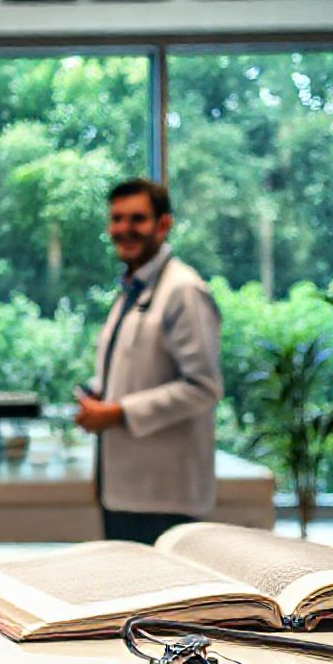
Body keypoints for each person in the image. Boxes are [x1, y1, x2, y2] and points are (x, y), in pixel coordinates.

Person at [74, 178, 223, 544]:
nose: (124, 229)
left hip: (164, 497)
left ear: (163, 224)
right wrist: (98, 393)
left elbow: (204, 387)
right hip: (125, 490)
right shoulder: (132, 288)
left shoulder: (183, 291)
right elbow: (138, 368)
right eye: (117, 219)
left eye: (137, 219)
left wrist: (119, 412)